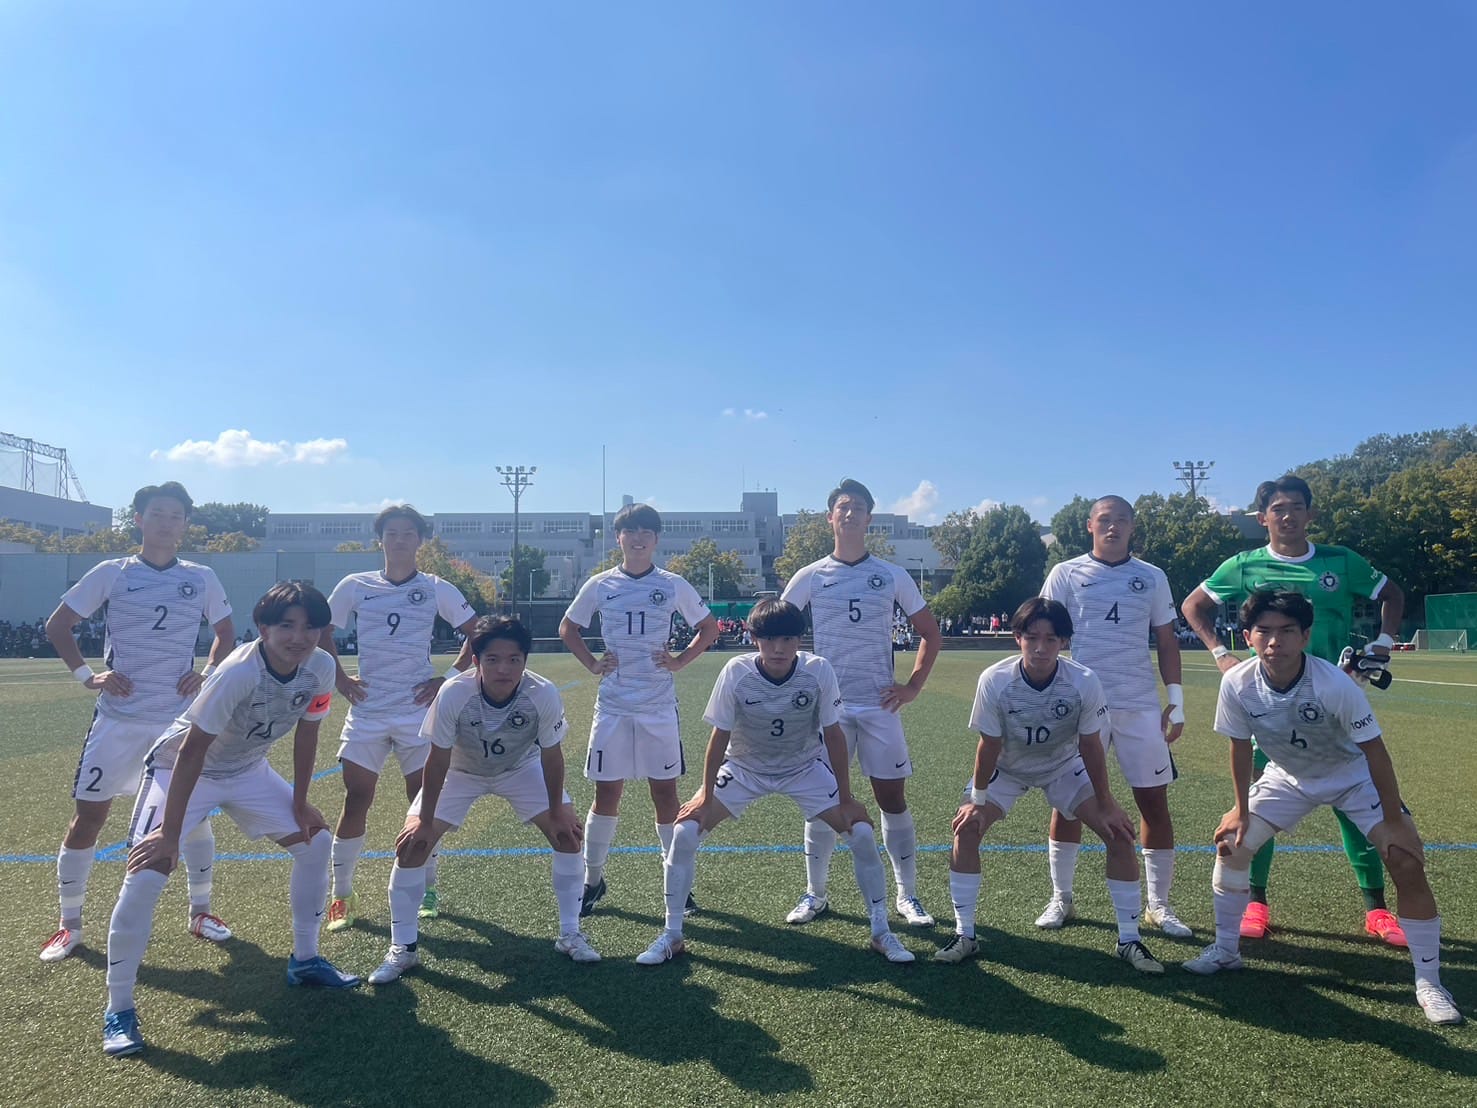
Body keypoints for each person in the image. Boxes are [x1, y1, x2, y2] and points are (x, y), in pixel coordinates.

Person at [101, 582, 360, 1058]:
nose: (299, 637)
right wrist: (169, 835)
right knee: (146, 872)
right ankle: (119, 1008)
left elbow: (308, 734)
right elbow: (192, 751)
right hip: (183, 768)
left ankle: (305, 959)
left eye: (310, 626)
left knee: (316, 841)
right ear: (263, 627)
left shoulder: (321, 667)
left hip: (247, 769)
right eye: (287, 625)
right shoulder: (240, 670)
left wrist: (301, 802)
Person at [1183, 590, 1463, 1025]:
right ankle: (1225, 949)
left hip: (1352, 775)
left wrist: (1394, 822)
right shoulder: (1236, 682)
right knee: (1231, 845)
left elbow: (1375, 753)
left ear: (1306, 636)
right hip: (1288, 775)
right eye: (1264, 631)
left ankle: (1429, 982)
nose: (1275, 641)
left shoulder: (1333, 683)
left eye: (1287, 631)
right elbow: (1239, 748)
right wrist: (1239, 809)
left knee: (1405, 859)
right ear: (1247, 636)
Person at [1182, 475, 1407, 945]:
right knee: (1256, 803)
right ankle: (1256, 903)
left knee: (1354, 802)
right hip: (1270, 705)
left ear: (1311, 514)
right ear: (1262, 518)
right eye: (1278, 509)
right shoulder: (1244, 565)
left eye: (1296, 507)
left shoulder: (1340, 561)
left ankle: (1377, 908)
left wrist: (1384, 642)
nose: (1287, 516)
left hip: (1336, 698)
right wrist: (1221, 655)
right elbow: (1194, 606)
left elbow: (1393, 594)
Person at [633, 599, 914, 967]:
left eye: (787, 639)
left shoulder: (818, 670)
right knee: (684, 833)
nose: (778, 648)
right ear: (754, 639)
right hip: (745, 767)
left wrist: (846, 797)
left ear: (799, 640)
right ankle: (672, 934)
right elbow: (719, 737)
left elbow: (833, 734)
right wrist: (705, 794)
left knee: (860, 833)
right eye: (768, 639)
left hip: (803, 767)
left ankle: (880, 931)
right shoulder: (736, 671)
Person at [40, 481, 235, 963]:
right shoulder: (113, 572)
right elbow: (57, 625)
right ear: (139, 520)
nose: (167, 522)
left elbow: (225, 633)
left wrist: (207, 672)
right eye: (158, 513)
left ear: (185, 524)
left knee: (192, 818)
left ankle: (201, 911)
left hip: (175, 723)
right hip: (119, 719)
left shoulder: (202, 577)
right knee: (89, 817)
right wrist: (88, 676)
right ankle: (69, 925)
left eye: (176, 515)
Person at [937, 598, 1163, 973]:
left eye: (1051, 639)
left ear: (1064, 642)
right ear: (1017, 638)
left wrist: (1106, 802)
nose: (1040, 647)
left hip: (1062, 765)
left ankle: (1129, 939)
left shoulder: (1084, 682)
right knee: (966, 829)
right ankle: (965, 934)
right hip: (1008, 768)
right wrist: (976, 800)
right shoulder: (995, 680)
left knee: (1119, 833)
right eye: (1032, 637)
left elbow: (1091, 746)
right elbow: (988, 745)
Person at [366, 617, 596, 984]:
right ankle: (403, 949)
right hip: (462, 770)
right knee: (412, 845)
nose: (504, 668)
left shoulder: (542, 693)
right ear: (476, 661)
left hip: (520, 768)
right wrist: (424, 820)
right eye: (493, 659)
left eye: (514, 659)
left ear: (525, 661)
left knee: (568, 835)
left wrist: (557, 811)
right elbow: (437, 759)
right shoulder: (455, 693)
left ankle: (570, 934)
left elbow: (552, 757)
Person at [780, 479, 941, 928]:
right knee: (822, 800)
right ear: (830, 517)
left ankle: (907, 895)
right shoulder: (810, 575)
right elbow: (775, 629)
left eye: (858, 507)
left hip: (878, 707)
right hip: (826, 711)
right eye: (843, 507)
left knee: (892, 799)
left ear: (870, 518)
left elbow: (930, 633)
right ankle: (815, 893)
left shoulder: (892, 574)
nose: (850, 513)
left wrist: (912, 687)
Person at [1036, 495, 1190, 937]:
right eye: (1105, 519)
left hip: (1140, 706)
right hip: (1081, 707)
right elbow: (1043, 633)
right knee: (1068, 803)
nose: (1113, 527)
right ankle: (1062, 898)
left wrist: (1176, 700)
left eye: (1122, 520)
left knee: (1154, 803)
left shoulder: (1152, 576)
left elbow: (1166, 640)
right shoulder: (1065, 573)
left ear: (1132, 527)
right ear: (1090, 525)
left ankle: (1159, 905)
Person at [320, 504, 477, 932]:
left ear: (420, 541)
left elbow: (477, 631)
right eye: (392, 533)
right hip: (367, 711)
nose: (400, 540)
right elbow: (323, 631)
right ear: (380, 539)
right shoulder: (355, 585)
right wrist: (339, 678)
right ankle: (341, 895)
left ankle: (428, 886)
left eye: (408, 533)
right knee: (356, 798)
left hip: (416, 715)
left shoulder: (435, 587)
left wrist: (447, 679)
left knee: (423, 804)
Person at [559, 503, 719, 917]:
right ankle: (593, 881)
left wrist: (680, 661)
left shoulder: (672, 584)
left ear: (656, 539)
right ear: (619, 538)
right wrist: (592, 663)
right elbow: (568, 628)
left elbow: (709, 628)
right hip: (613, 706)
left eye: (646, 531)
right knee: (606, 793)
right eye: (630, 531)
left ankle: (677, 884)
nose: (638, 538)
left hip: (657, 706)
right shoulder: (600, 584)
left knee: (665, 794)